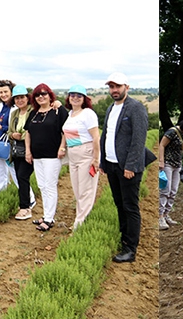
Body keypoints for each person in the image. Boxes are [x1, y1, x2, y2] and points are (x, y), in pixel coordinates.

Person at [99, 73, 152, 263]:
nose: (114, 90)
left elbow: (139, 140)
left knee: (130, 207)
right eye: (111, 87)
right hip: (112, 165)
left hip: (128, 168)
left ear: (126, 87)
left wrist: (130, 166)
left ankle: (130, 249)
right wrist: (103, 162)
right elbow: (106, 136)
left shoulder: (135, 108)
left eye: (117, 86)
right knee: (119, 204)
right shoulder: (110, 108)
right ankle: (124, 238)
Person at [26, 84, 69, 232]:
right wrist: (28, 151)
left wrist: (62, 147)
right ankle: (46, 215)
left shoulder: (58, 111)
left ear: (50, 95)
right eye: (37, 95)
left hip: (52, 155)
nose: (40, 97)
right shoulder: (34, 113)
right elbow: (28, 133)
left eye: (44, 94)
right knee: (42, 186)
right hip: (37, 155)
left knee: (50, 186)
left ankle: (49, 219)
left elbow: (65, 131)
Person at [62, 85, 101, 230]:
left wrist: (96, 159)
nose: (75, 98)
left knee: (86, 191)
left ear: (84, 99)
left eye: (79, 95)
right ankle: (81, 218)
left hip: (86, 152)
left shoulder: (88, 113)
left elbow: (96, 137)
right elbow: (65, 134)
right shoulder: (70, 114)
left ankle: (79, 224)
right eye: (72, 95)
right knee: (78, 190)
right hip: (73, 154)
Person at [159, 115, 183, 230]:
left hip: (177, 164)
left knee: (173, 191)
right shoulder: (172, 132)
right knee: (165, 190)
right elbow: (162, 145)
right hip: (167, 163)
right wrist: (161, 161)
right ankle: (160, 216)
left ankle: (166, 214)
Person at [10, 86, 39, 220]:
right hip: (17, 150)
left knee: (22, 176)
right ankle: (25, 203)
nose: (20, 100)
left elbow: (33, 130)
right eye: (17, 98)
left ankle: (25, 207)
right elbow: (10, 131)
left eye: (22, 97)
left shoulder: (34, 111)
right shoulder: (14, 113)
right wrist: (13, 135)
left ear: (28, 98)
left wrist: (21, 136)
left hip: (30, 148)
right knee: (19, 176)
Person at [0, 80, 18, 193]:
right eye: (1, 92)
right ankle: (1, 192)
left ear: (12, 92)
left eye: (6, 92)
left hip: (11, 142)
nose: (3, 95)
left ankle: (26, 198)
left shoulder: (16, 108)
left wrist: (1, 128)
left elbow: (15, 128)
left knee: (14, 170)